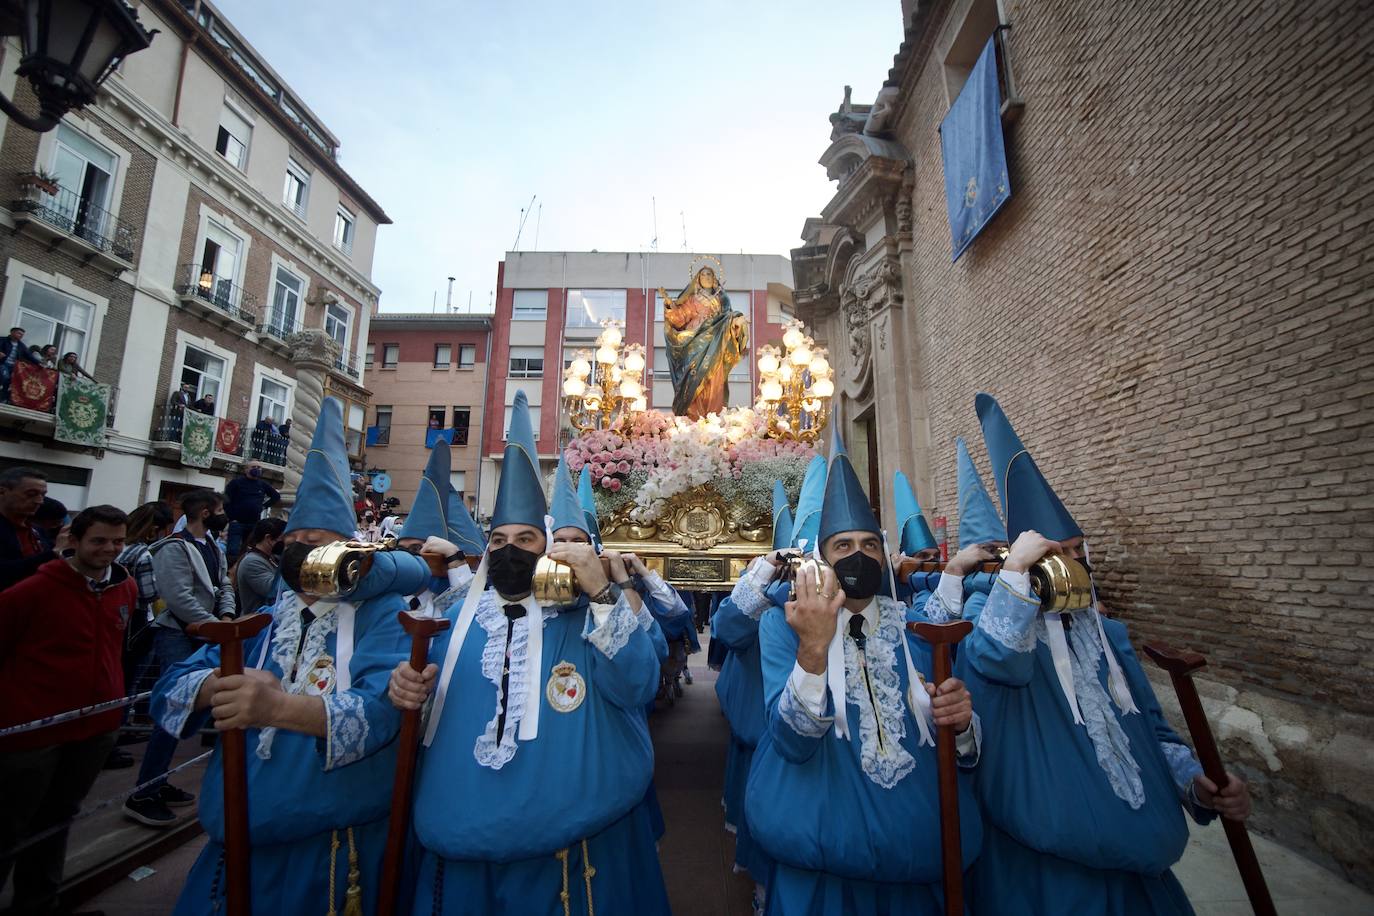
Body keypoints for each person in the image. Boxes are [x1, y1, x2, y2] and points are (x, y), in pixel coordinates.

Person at [947, 394, 1251, 916]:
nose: (1067, 564)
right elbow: (994, 662)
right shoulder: (991, 627)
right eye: (1051, 554)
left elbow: (1152, 732)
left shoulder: (1109, 636)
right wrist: (1014, 576)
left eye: (1075, 551)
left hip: (1141, 875)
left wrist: (1193, 782)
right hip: (1043, 880)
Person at [149, 396, 452, 913]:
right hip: (237, 835)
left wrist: (277, 709)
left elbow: (384, 709)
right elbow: (175, 680)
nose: (303, 547)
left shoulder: (383, 615)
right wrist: (216, 687)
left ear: (348, 554)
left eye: (319, 540)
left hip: (333, 847)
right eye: (295, 537)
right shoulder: (264, 618)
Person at [388, 391, 668, 915]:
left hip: (570, 856)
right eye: (498, 540)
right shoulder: (454, 627)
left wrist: (604, 595)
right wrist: (404, 690)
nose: (511, 549)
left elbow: (637, 686)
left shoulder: (586, 617)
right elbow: (423, 707)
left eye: (525, 538)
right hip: (464, 845)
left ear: (547, 548)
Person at [744, 429, 982, 915]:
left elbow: (961, 748)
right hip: (822, 859)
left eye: (871, 545)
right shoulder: (780, 625)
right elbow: (789, 740)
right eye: (844, 545)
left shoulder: (921, 628)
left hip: (919, 859)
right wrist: (812, 646)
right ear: (821, 560)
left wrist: (963, 725)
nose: (860, 556)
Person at [0, 505, 136, 914]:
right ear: (73, 540)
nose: (109, 549)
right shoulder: (27, 593)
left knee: (58, 822)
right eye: (99, 540)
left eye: (117, 541)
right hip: (32, 732)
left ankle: (39, 904)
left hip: (95, 729)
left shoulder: (124, 588)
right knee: (8, 828)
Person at [124, 489, 236, 827]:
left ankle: (159, 780)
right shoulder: (171, 548)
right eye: (220, 509)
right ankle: (143, 791)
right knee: (175, 707)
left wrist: (227, 618)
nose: (224, 515)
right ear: (205, 511)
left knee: (194, 709)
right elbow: (177, 596)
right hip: (179, 634)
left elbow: (223, 584)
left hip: (209, 632)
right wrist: (215, 627)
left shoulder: (213, 545)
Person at [658, 265, 749, 419]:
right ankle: (693, 415)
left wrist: (737, 320)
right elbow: (680, 318)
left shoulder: (722, 298)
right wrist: (670, 306)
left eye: (709, 274)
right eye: (703, 274)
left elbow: (729, 316)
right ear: (698, 280)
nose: (706, 277)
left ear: (714, 279)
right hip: (694, 341)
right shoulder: (693, 299)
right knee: (693, 376)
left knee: (715, 377)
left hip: (716, 340)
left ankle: (713, 415)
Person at [0, 468, 63, 592]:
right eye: (31, 494)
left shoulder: (37, 531)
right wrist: (54, 553)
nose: (39, 501)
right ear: (3, 492)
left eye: (43, 495)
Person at [223, 461, 281, 564]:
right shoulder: (236, 483)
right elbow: (226, 500)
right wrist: (231, 517)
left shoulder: (262, 484)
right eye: (254, 467)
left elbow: (276, 496)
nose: (257, 469)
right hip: (237, 523)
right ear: (246, 470)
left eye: (259, 467)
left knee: (250, 550)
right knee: (233, 550)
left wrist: (264, 506)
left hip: (254, 524)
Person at [234, 517, 285, 616]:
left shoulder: (271, 558)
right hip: (257, 625)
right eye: (283, 539)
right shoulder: (252, 562)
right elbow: (274, 590)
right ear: (269, 539)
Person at [0, 327, 40, 403]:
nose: (20, 336)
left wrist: (39, 363)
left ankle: (2, 399)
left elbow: (29, 356)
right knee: (5, 376)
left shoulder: (21, 345)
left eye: (22, 335)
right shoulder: (2, 340)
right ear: (12, 332)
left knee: (10, 382)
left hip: (14, 367)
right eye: (19, 333)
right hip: (3, 363)